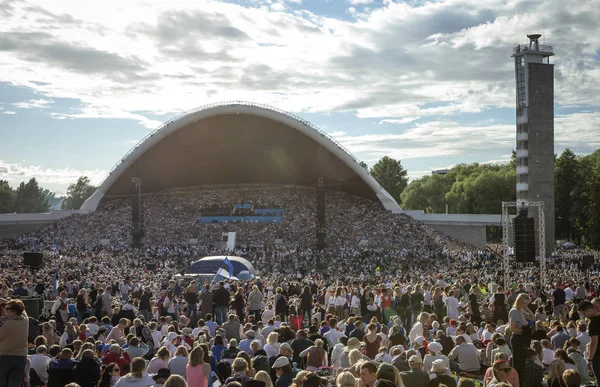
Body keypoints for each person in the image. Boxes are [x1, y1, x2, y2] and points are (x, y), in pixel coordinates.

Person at [0, 299, 29, 387]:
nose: (5, 310)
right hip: (21, 356)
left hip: (5, 356)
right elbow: (22, 308)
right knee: (15, 382)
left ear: (14, 311)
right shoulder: (25, 320)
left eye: (7, 309)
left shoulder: (8, 324)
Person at [509, 294, 532, 382]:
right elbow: (513, 328)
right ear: (519, 302)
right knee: (518, 364)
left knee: (522, 364)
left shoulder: (521, 311)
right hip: (517, 338)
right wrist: (525, 332)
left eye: (526, 304)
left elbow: (533, 318)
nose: (524, 305)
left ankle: (520, 381)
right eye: (523, 303)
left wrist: (527, 309)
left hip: (522, 339)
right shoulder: (514, 311)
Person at [578, 300, 600, 381]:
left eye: (584, 313)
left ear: (590, 310)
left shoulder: (593, 323)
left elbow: (594, 342)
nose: (585, 316)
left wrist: (590, 359)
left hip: (598, 355)